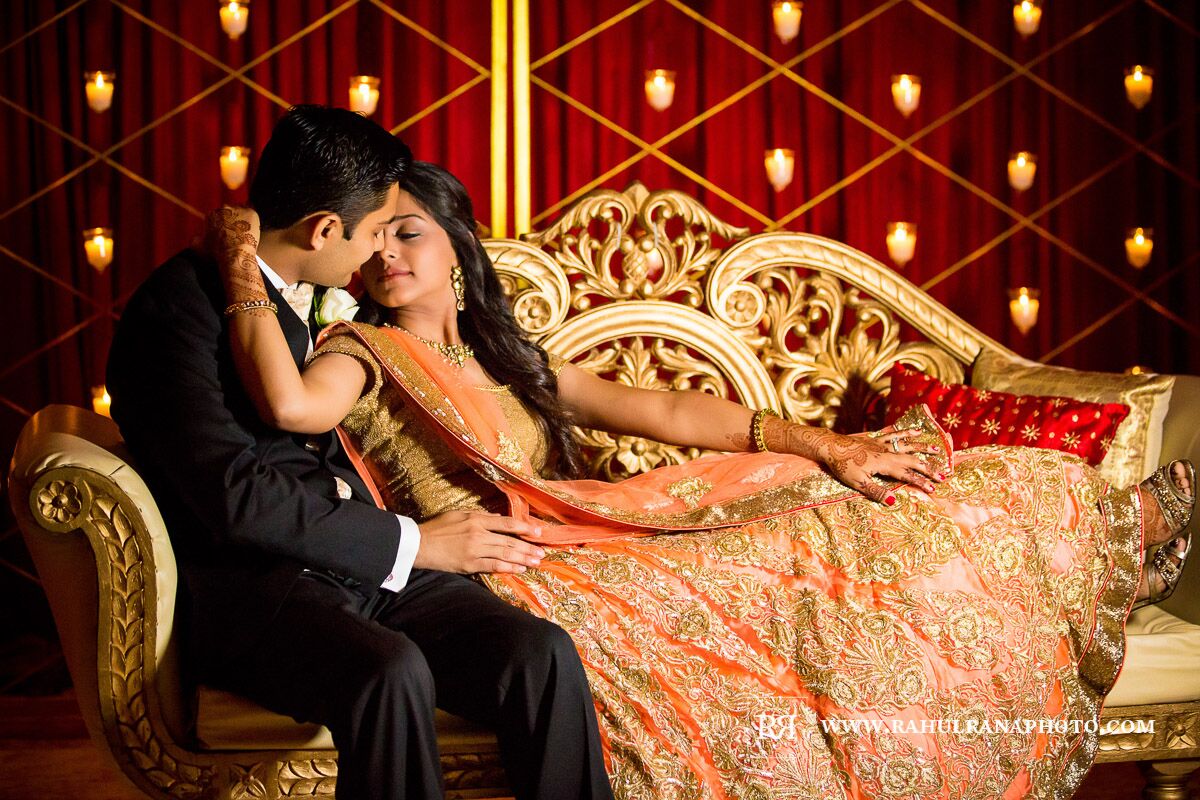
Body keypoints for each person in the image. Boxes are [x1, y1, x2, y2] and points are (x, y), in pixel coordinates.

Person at [208, 160, 1194, 799]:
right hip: (519, 565)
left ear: (457, 246)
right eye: (375, 237)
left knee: (835, 497)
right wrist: (244, 270)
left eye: (409, 231)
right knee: (796, 543)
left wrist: (823, 442)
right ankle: (1107, 537)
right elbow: (293, 406)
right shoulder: (362, 354)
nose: (387, 252)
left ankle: (1091, 532)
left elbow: (668, 411)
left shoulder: (509, 359)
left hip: (595, 530)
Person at [107, 108, 614, 800]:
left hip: (357, 567)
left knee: (540, 653)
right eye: (375, 231)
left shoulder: (306, 299)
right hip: (257, 591)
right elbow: (235, 496)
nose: (378, 253)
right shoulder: (178, 311)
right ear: (323, 230)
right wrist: (414, 542)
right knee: (389, 671)